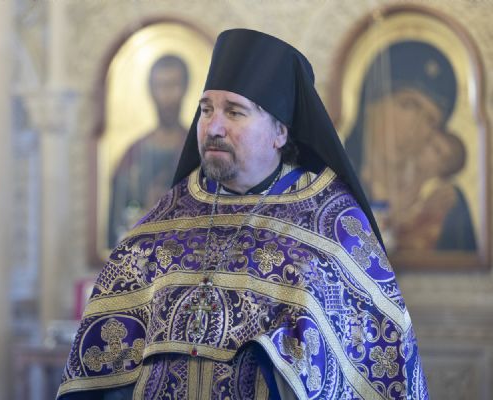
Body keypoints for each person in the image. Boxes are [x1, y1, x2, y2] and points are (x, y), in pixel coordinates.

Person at [58, 29, 427, 399]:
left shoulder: (332, 224)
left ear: (280, 132)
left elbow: (367, 365)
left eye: (234, 112)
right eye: (206, 110)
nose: (213, 127)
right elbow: (104, 370)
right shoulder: (163, 223)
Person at [344, 40, 475, 251]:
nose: (416, 130)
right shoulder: (333, 184)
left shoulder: (447, 205)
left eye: (431, 120)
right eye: (408, 105)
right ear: (369, 103)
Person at [108, 55, 189, 247]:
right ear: (151, 91)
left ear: (186, 88)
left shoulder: (198, 152)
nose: (167, 96)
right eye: (160, 86)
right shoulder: (133, 156)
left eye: (173, 85)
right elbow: (116, 223)